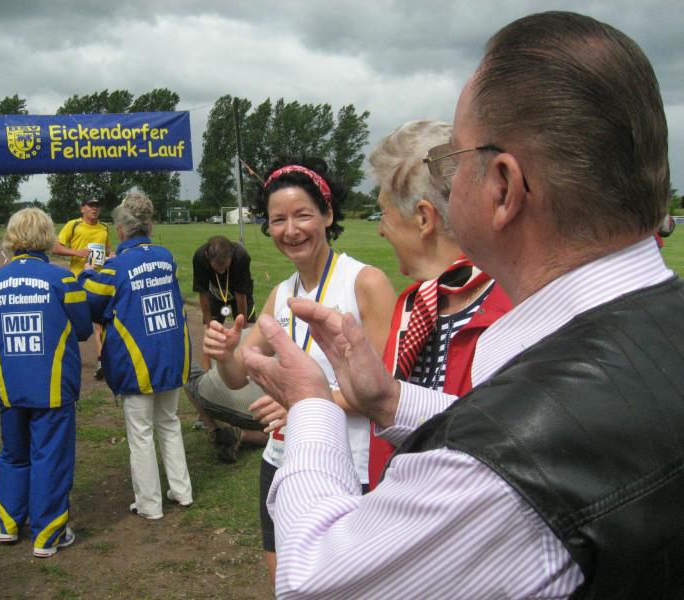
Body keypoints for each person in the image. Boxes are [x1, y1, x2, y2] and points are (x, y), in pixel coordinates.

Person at [240, 11, 684, 598]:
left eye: (452, 161)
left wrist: (311, 405)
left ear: (502, 186)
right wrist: (390, 400)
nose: (445, 186)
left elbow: (314, 579)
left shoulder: (502, 466)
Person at [203, 157, 396, 581]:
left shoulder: (366, 283)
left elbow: (387, 392)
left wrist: (306, 407)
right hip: (283, 459)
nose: (290, 230)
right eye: (278, 220)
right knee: (286, 579)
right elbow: (237, 378)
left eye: (303, 215)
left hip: (350, 463)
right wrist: (226, 353)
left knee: (347, 584)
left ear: (327, 214)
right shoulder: (281, 293)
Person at [365, 120, 511, 488]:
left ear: (423, 218)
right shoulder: (413, 306)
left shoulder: (511, 310)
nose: (380, 229)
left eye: (384, 213)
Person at [0, 207, 92, 558]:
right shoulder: (63, 280)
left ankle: (8, 524)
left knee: (13, 454)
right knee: (50, 457)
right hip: (52, 388)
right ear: (47, 237)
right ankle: (48, 535)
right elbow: (84, 329)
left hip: (9, 386)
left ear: (12, 237)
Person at [80, 191, 192, 520]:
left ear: (120, 230)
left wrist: (88, 271)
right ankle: (182, 491)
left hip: (136, 359)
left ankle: (149, 504)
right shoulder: (165, 257)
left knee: (141, 434)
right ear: (149, 225)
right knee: (169, 422)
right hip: (170, 352)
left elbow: (90, 302)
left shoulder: (115, 267)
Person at [52, 197, 112, 379]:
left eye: (97, 206)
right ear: (82, 209)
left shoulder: (104, 227)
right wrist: (76, 252)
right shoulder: (73, 225)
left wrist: (112, 256)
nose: (95, 209)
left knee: (100, 323)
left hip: (99, 281)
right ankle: (63, 357)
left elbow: (108, 250)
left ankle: (102, 361)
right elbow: (55, 247)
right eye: (91, 206)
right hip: (78, 281)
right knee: (70, 321)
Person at [183, 356, 269, 464]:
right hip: (259, 414)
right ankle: (244, 434)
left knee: (186, 367)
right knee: (281, 432)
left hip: (215, 403)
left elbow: (207, 362)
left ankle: (214, 430)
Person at [193, 235, 256, 326]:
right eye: (217, 267)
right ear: (207, 256)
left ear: (231, 255)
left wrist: (243, 326)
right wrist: (209, 325)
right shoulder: (200, 257)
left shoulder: (241, 257)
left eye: (225, 266)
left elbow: (241, 295)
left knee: (248, 330)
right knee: (212, 329)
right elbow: (203, 293)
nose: (221, 271)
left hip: (241, 294)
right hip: (215, 292)